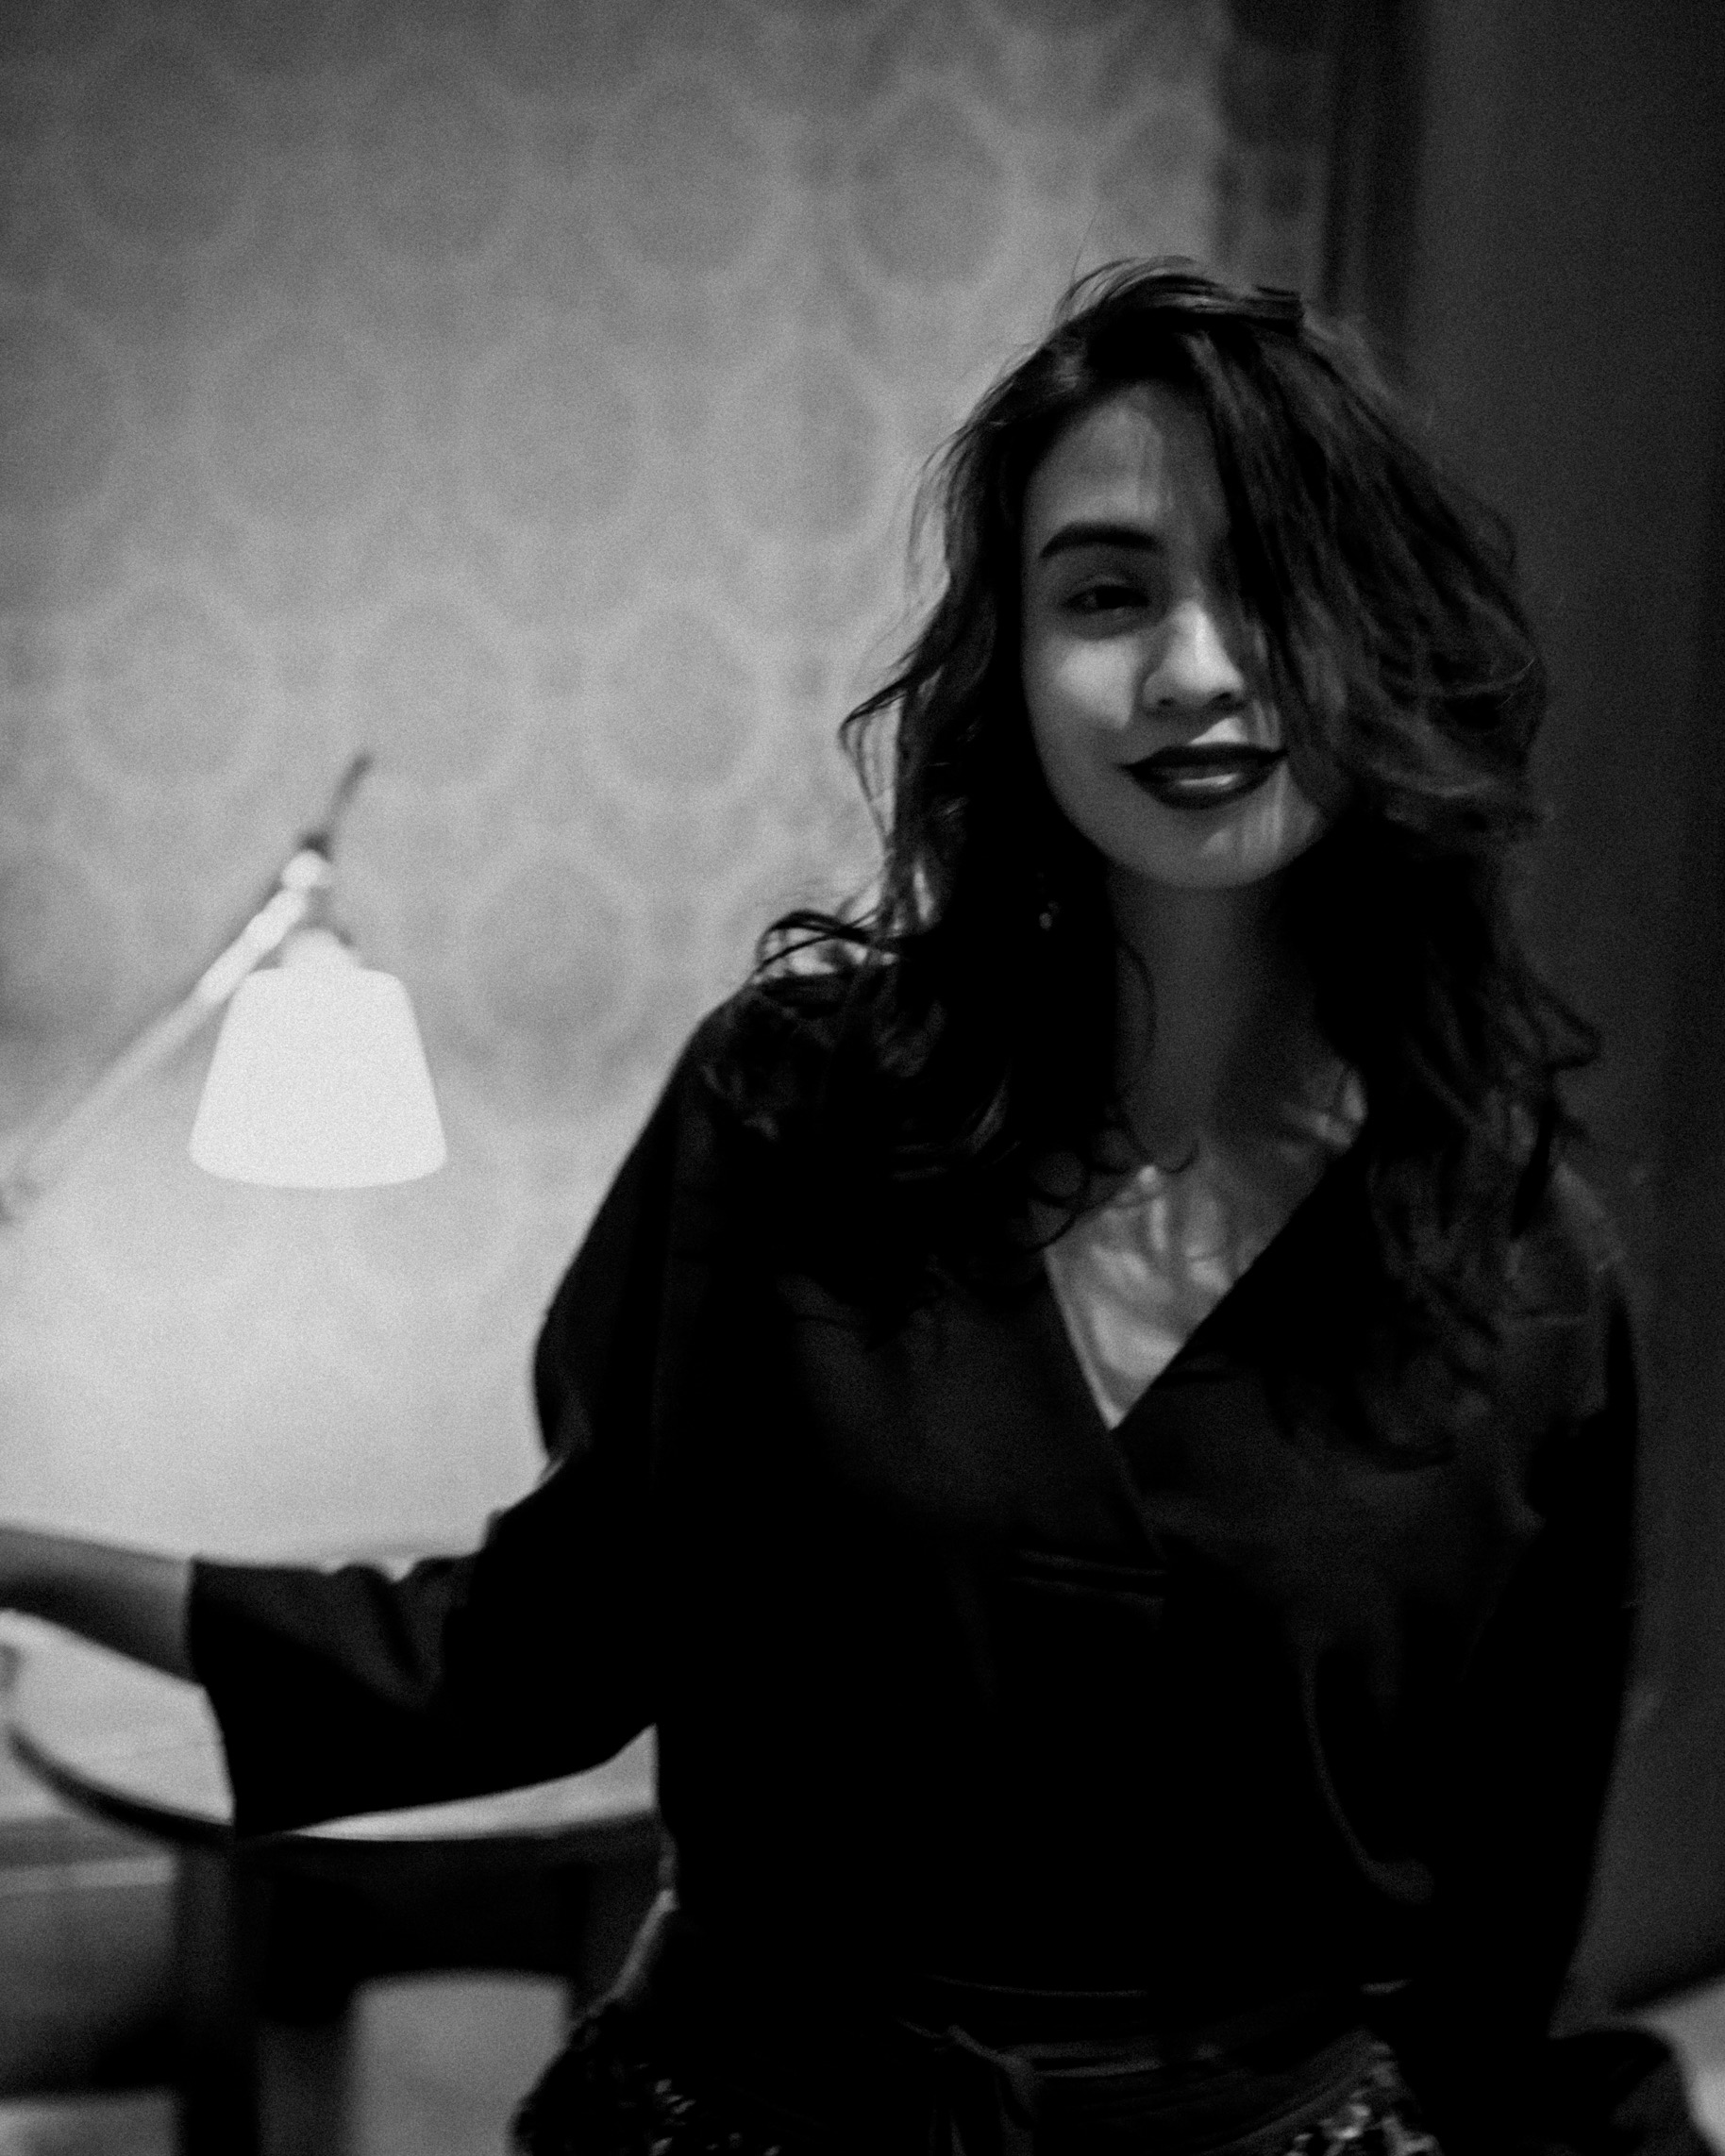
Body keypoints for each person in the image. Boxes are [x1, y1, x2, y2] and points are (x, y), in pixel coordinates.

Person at [0, 260, 1708, 2155]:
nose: (1196, 668)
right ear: (1011, 663)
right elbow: (517, 1661)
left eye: (1277, 582)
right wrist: (20, 1556)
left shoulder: (1516, 1273)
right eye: (1107, 592)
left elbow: (1504, 1960)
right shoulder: (793, 1117)